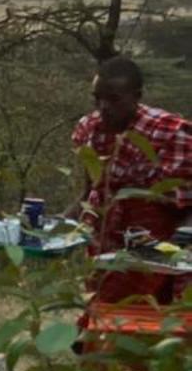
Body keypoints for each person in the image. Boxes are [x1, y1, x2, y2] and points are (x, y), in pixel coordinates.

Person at [72, 56, 192, 303]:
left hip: (157, 241)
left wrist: (179, 245)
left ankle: (83, 341)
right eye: (97, 99)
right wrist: (57, 228)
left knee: (128, 307)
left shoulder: (168, 132)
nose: (103, 107)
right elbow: (90, 191)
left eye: (114, 99)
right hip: (105, 235)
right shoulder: (90, 129)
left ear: (136, 96)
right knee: (103, 300)